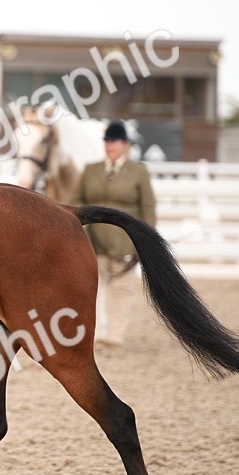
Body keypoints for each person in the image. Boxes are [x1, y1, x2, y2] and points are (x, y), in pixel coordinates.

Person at [71, 120, 157, 348]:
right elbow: (76, 200)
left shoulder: (138, 173)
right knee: (92, 287)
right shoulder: (91, 170)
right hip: (93, 240)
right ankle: (96, 332)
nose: (110, 146)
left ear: (125, 145)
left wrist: (147, 241)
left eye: (115, 141)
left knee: (122, 288)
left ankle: (115, 335)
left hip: (124, 241)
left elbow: (147, 207)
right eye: (107, 141)